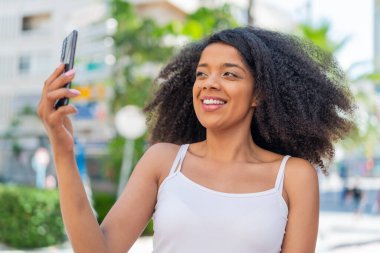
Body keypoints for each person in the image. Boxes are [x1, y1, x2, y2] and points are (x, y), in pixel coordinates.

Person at [38, 27, 355, 253]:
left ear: (258, 93)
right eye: (202, 74)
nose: (209, 84)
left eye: (229, 74)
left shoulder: (294, 176)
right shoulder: (163, 161)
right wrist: (63, 151)